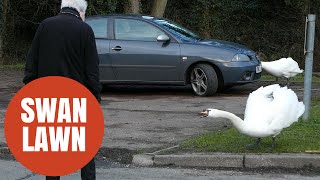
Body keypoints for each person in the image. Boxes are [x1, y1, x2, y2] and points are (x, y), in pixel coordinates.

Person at [23, 0, 101, 179]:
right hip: (78, 98)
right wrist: (95, 95)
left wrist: (31, 88)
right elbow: (92, 69)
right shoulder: (85, 30)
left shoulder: (45, 26)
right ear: (81, 11)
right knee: (85, 148)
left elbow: (32, 61)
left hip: (49, 97)